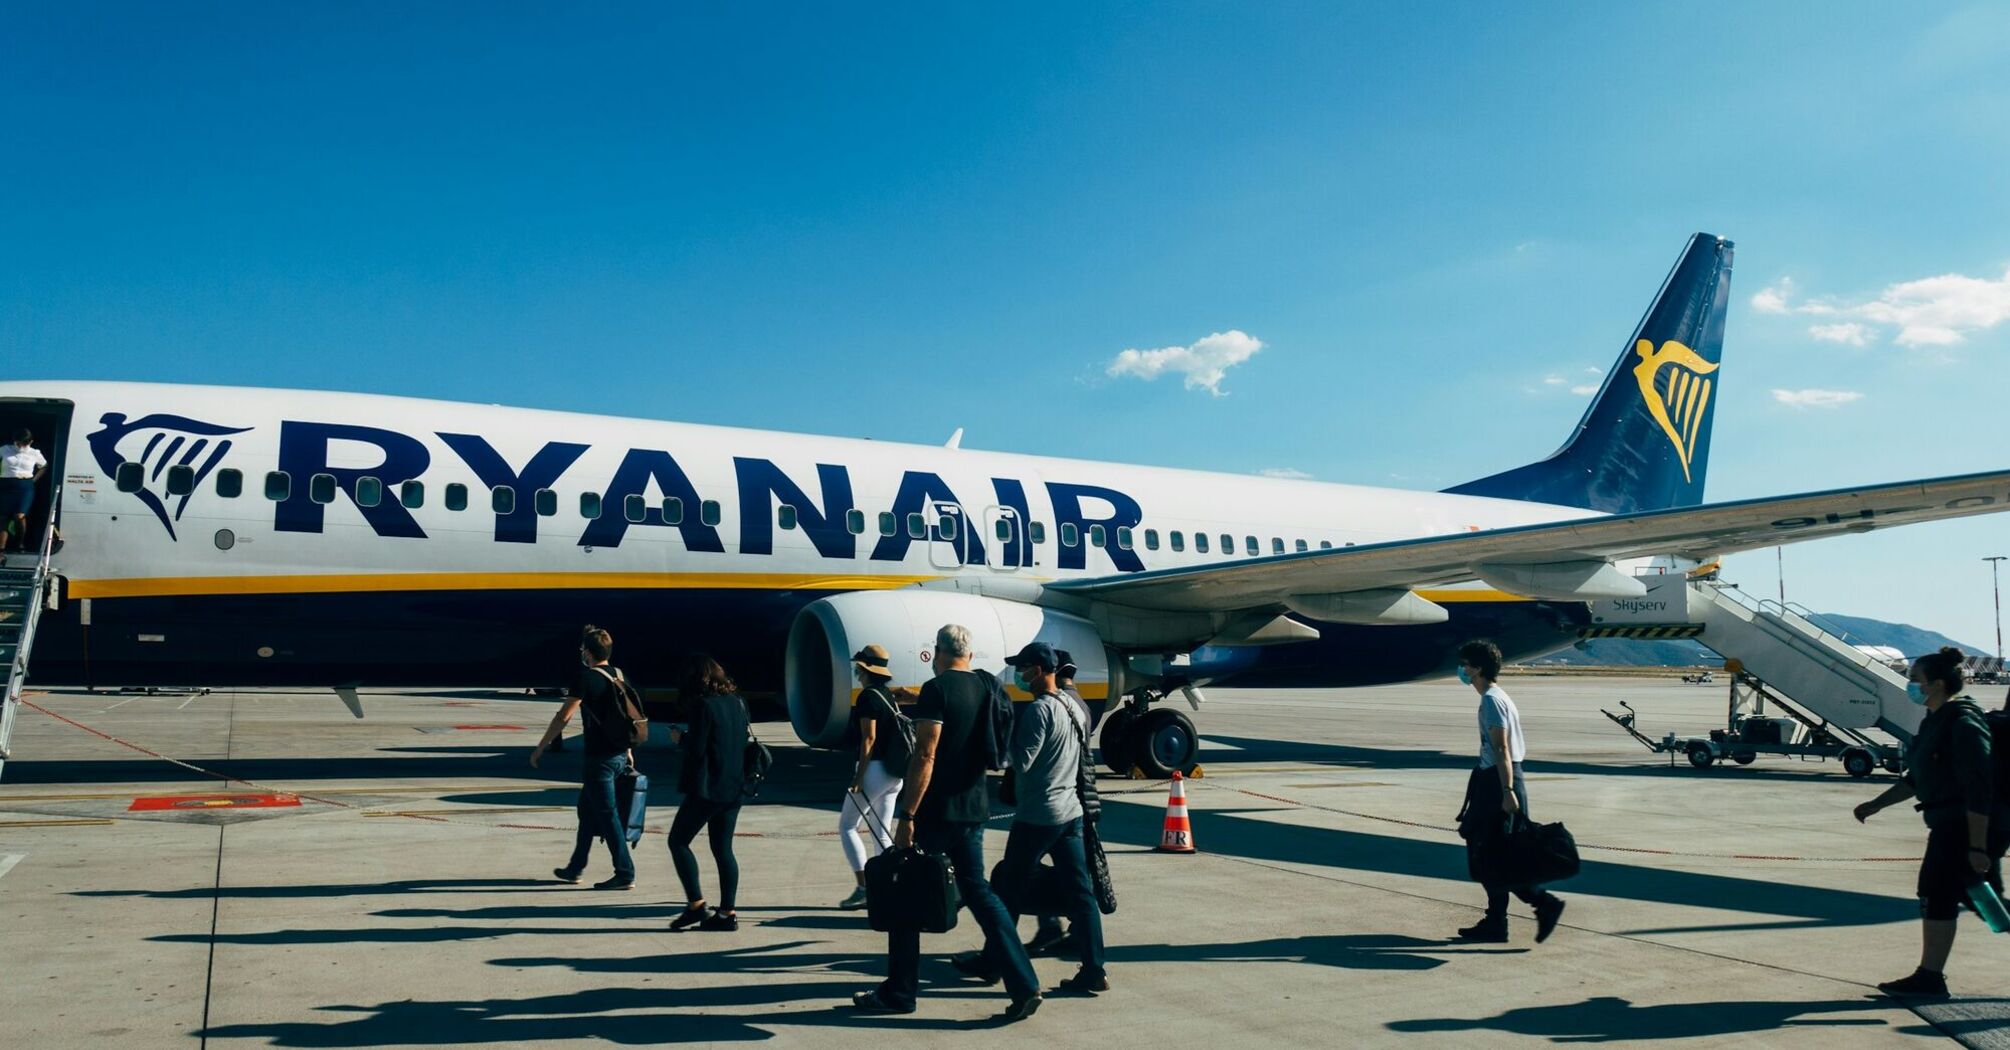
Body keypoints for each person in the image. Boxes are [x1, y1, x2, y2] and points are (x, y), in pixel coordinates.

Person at [852, 623, 1042, 1021]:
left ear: (938, 652)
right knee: (981, 894)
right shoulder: (986, 687)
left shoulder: (938, 689)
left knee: (905, 898)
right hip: (975, 808)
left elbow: (926, 754)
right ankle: (1024, 982)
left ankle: (900, 992)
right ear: (968, 654)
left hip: (937, 812)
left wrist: (907, 814)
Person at [1853, 647, 2007, 998]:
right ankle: (1930, 977)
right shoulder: (1934, 722)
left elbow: (1979, 788)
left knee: (1948, 896)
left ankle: (1930, 978)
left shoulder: (1964, 724)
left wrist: (1979, 846)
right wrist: (1875, 805)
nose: (1909, 686)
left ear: (1936, 684)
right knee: (1967, 901)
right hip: (1950, 825)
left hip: (1967, 826)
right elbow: (1917, 779)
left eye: (1914, 681)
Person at [981, 641, 1108, 996]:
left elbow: (1021, 761)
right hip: (1071, 812)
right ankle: (1094, 968)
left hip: (1039, 815)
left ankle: (994, 961)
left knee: (1008, 887)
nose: (1018, 676)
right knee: (1081, 894)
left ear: (1038, 670)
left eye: (1021, 669)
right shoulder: (1075, 706)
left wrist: (998, 732)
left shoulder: (1039, 711)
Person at [1452, 639, 1565, 944]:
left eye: (1465, 665)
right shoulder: (1498, 696)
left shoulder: (1491, 700)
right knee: (1496, 856)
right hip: (1499, 778)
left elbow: (1501, 747)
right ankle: (1498, 922)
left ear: (1477, 668)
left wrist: (1507, 790)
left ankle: (1541, 904)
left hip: (1499, 781)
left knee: (1491, 855)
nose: (1461, 670)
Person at [531, 625, 636, 891]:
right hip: (618, 755)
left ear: (588, 653)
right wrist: (629, 750)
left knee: (607, 815)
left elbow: (563, 716)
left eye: (582, 649)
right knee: (587, 812)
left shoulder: (586, 678)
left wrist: (541, 746)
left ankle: (625, 872)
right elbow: (626, 715)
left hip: (600, 758)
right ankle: (575, 867)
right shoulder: (619, 675)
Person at [666, 653, 751, 932]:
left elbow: (698, 748)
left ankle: (696, 905)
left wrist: (682, 739)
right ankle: (727, 913)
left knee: (678, 841)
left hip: (708, 788)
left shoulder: (703, 706)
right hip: (735, 786)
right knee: (723, 849)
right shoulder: (738, 702)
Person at [837, 644, 906, 910]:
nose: (856, 670)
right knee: (881, 832)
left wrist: (859, 776)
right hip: (894, 773)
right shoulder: (888, 695)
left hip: (874, 770)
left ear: (865, 669)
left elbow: (869, 739)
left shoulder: (867, 697)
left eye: (858, 666)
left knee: (847, 826)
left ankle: (863, 887)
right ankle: (888, 887)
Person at [0, 429, 47, 555]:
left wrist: (33, 480)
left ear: (30, 442)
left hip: (24, 486)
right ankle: (2, 547)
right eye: (18, 443)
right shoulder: (5, 449)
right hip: (5, 484)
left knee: (19, 516)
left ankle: (19, 542)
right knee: (3, 517)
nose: (20, 446)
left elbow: (44, 466)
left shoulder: (35, 453)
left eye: (24, 444)